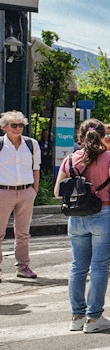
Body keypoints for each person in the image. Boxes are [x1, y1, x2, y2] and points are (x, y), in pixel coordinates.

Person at [54, 118, 110, 333]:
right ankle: (94, 318)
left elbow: (58, 192)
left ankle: (77, 315)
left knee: (78, 266)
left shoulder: (69, 159)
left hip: (76, 217)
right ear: (103, 136)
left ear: (80, 136)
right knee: (100, 267)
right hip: (102, 213)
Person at [0, 110, 40, 281]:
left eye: (21, 125)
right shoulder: (1, 145)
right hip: (3, 190)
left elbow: (36, 168)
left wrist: (34, 190)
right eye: (13, 125)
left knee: (23, 232)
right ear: (4, 127)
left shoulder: (31, 144)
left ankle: (23, 266)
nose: (18, 129)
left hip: (25, 191)